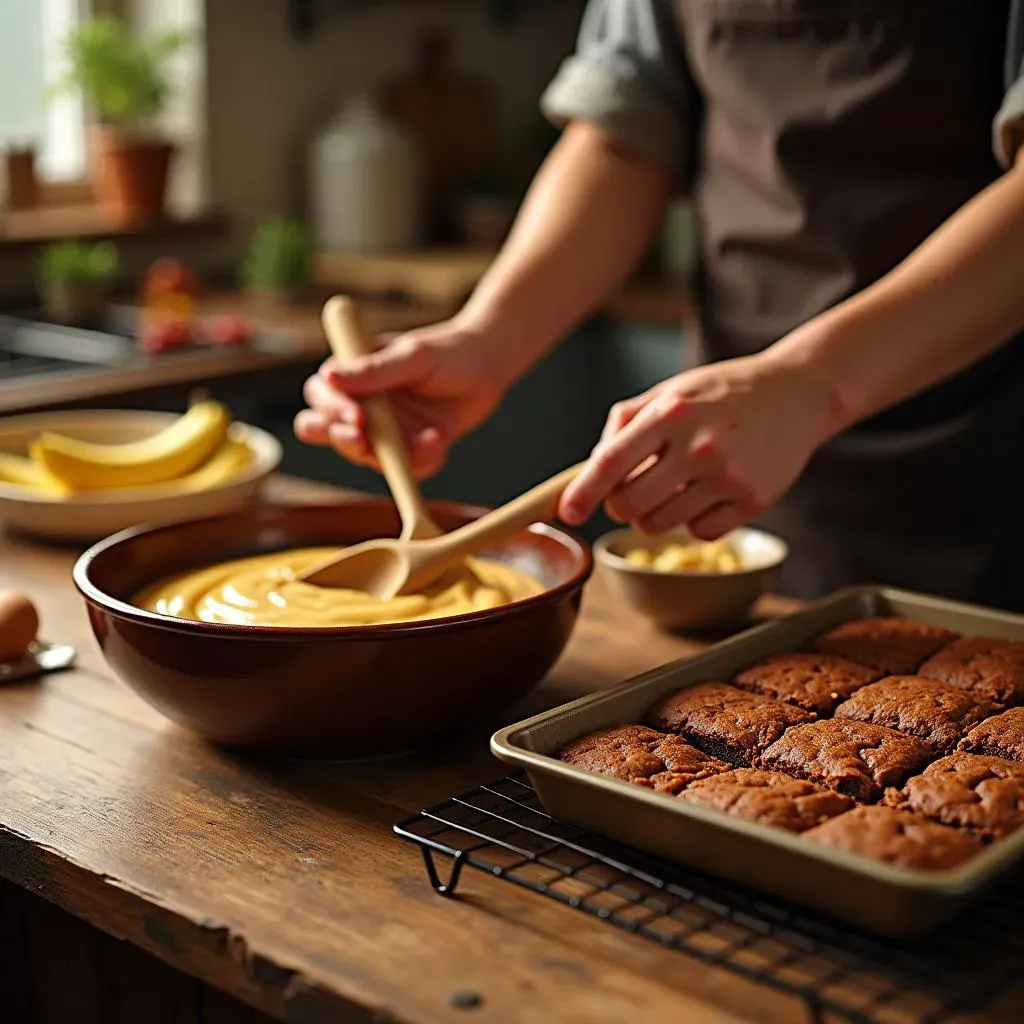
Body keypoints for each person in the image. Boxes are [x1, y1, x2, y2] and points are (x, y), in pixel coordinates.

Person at [297, 0, 1024, 610]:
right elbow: (624, 137)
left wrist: (814, 383)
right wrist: (486, 340)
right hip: (729, 447)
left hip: (984, 454)